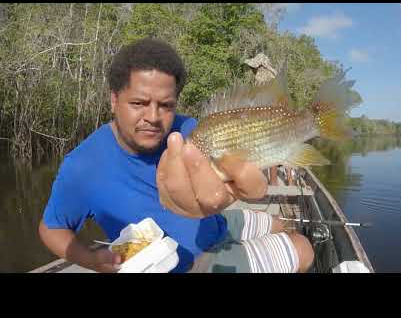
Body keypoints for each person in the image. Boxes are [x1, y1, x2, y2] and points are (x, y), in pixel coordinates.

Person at [39, 38, 314, 273]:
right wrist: (91, 259)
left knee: (280, 224)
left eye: (166, 105)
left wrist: (242, 186)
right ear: (114, 99)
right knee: (303, 248)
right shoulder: (81, 167)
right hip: (188, 263)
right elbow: (51, 228)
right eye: (139, 103)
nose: (153, 117)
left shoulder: (189, 129)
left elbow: (231, 178)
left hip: (217, 223)